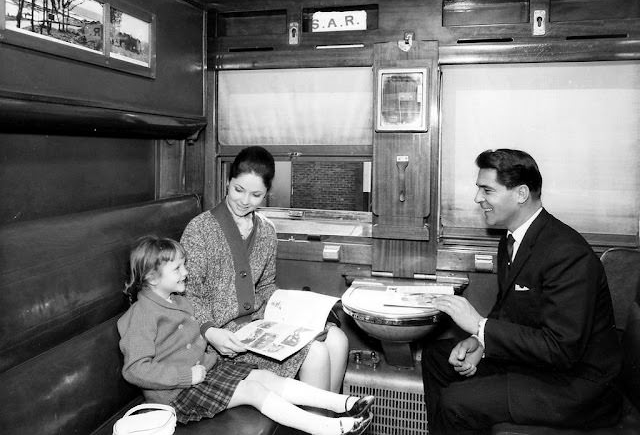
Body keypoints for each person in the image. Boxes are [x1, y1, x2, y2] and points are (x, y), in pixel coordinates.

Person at [421, 149, 622, 434]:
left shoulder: (567, 253)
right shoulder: (512, 240)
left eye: (487, 190)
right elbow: (512, 311)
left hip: (578, 385)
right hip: (542, 366)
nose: (478, 198)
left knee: (457, 401)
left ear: (521, 193)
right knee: (437, 358)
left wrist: (479, 325)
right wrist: (479, 342)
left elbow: (561, 349)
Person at [117, 236, 374, 434]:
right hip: (178, 393)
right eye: (177, 269)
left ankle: (344, 404)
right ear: (151, 277)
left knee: (265, 377)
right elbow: (136, 370)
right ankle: (327, 429)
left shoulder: (178, 301)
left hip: (207, 372)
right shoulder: (141, 315)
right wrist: (187, 375)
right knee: (253, 391)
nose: (185, 272)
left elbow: (189, 342)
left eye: (184, 265)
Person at [180, 145, 349, 393]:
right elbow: (189, 294)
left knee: (338, 340)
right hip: (222, 338)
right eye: (239, 190)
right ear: (228, 181)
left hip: (261, 325)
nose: (245, 201)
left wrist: (301, 313)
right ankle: (319, 424)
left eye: (256, 195)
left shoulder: (267, 230)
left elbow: (267, 286)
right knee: (317, 354)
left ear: (266, 193)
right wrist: (209, 331)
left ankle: (331, 420)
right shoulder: (199, 230)